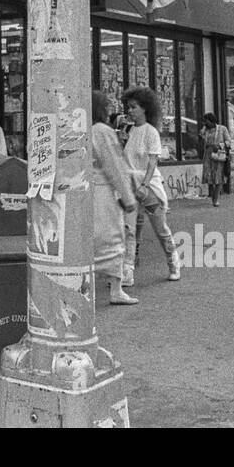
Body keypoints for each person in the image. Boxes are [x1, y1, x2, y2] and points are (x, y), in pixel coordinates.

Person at [121, 87, 181, 283]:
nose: (129, 111)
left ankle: (173, 262)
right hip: (130, 185)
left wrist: (144, 185)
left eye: (133, 107)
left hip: (148, 187)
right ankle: (128, 271)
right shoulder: (127, 130)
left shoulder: (151, 132)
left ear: (145, 109)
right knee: (129, 230)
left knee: (160, 229)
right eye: (128, 107)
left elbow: (153, 161)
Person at [90, 91, 138, 304]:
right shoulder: (102, 131)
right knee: (113, 237)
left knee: (90, 240)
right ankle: (116, 289)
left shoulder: (79, 129)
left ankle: (87, 288)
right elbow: (114, 166)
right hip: (103, 191)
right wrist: (128, 198)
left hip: (84, 191)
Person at [200, 112, 234, 207]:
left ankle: (216, 199)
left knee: (218, 177)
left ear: (212, 121)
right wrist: (203, 129)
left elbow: (229, 141)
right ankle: (213, 197)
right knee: (209, 176)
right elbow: (200, 137)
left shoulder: (222, 129)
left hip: (218, 153)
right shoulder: (206, 130)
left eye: (206, 121)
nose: (205, 123)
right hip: (208, 154)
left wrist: (219, 145)